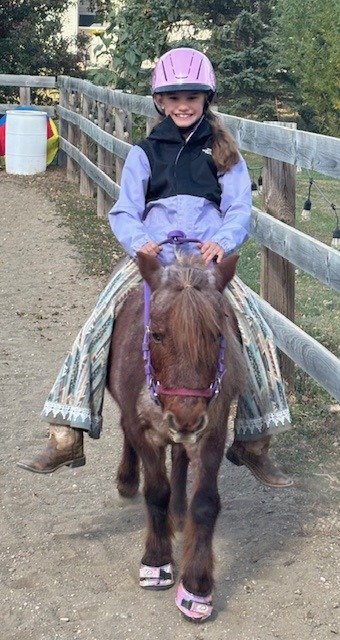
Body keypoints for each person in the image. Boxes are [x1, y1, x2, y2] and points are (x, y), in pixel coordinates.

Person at [18, 48, 293, 488]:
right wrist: (140, 241)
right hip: (157, 259)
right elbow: (126, 210)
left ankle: (255, 439)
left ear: (207, 99)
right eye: (174, 97)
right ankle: (67, 427)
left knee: (256, 329)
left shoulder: (225, 154)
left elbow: (240, 207)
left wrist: (221, 242)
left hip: (205, 263)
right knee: (96, 325)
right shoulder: (144, 153)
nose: (183, 105)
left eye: (193, 97)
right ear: (160, 102)